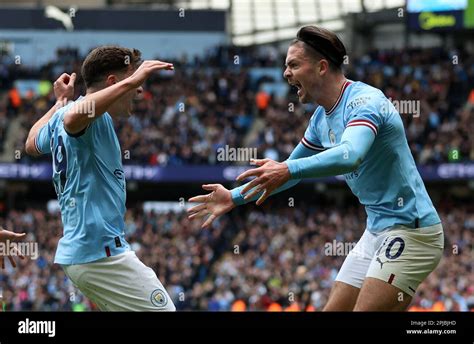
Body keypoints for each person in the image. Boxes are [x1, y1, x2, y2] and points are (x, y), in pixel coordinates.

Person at [187, 26, 444, 311]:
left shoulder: (365, 101)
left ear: (322, 67)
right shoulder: (321, 120)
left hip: (412, 230)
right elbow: (284, 176)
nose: (286, 73)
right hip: (376, 231)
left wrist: (288, 169)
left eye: (294, 65)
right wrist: (234, 197)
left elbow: (350, 155)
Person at [25, 46, 176, 311]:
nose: (139, 90)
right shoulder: (84, 117)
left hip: (86, 254)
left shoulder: (64, 111)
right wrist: (132, 80)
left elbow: (30, 143)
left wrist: (58, 102)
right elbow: (73, 119)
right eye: (134, 81)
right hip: (99, 253)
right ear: (113, 82)